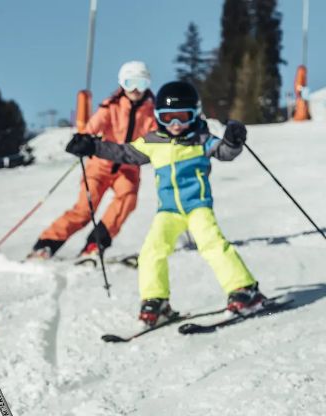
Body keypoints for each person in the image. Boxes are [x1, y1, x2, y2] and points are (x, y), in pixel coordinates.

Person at [65, 81, 266, 325]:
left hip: (197, 207)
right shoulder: (153, 141)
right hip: (168, 211)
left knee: (212, 244)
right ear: (158, 117)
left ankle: (245, 290)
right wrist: (92, 145)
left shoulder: (201, 139)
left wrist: (233, 141)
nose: (175, 125)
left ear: (194, 115)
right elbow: (123, 153)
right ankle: (156, 300)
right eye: (168, 118)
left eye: (182, 117)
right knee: (151, 251)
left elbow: (224, 152)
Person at [29, 61, 157, 259]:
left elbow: (155, 137)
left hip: (128, 168)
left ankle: (94, 245)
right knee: (84, 210)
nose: (135, 89)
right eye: (130, 83)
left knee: (127, 201)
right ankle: (46, 244)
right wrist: (83, 139)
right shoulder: (111, 106)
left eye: (141, 83)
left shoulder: (151, 112)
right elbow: (92, 127)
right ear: (122, 84)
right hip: (100, 166)